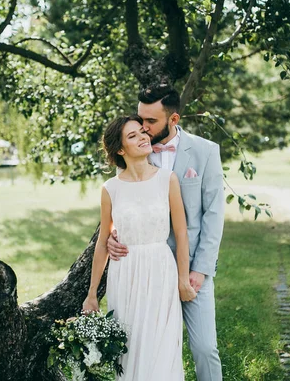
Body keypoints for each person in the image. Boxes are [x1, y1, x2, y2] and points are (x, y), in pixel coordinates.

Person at [107, 85, 225, 381]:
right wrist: (112, 233)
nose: (143, 129)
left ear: (173, 119)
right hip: (147, 271)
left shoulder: (206, 151)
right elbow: (121, 203)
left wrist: (198, 270)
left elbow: (213, 215)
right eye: (140, 119)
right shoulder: (137, 151)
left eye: (151, 122)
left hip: (192, 267)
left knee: (205, 348)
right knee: (143, 349)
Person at [82, 115, 197, 380]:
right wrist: (91, 294)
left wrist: (182, 279)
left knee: (162, 347)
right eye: (132, 136)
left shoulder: (167, 179)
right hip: (126, 275)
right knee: (131, 350)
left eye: (142, 132)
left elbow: (181, 233)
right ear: (120, 149)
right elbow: (103, 242)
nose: (144, 137)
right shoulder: (110, 188)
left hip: (161, 271)